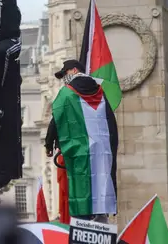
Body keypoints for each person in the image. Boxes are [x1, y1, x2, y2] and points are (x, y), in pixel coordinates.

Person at [45, 59, 118, 224]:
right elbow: (111, 122)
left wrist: (49, 144)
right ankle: (102, 228)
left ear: (74, 70)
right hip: (102, 152)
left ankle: (82, 230)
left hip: (80, 152)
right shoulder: (100, 91)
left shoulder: (67, 93)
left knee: (81, 190)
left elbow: (56, 118)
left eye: (65, 73)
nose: (64, 78)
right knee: (100, 187)